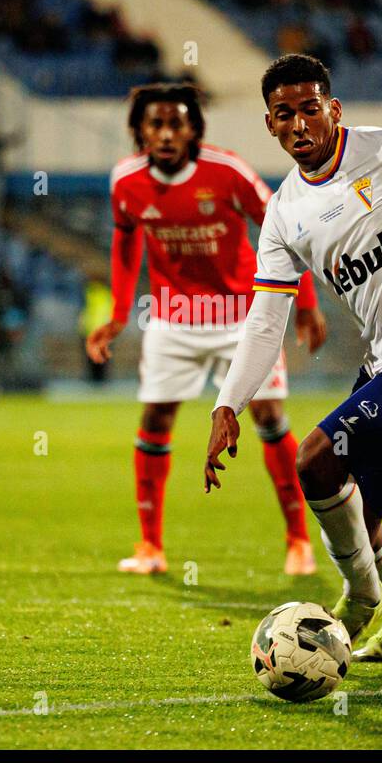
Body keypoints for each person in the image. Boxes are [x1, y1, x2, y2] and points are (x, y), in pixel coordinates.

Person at [204, 55, 382, 661]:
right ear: (270, 126)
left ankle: (358, 598)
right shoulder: (282, 213)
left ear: (334, 109)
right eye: (284, 115)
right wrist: (228, 402)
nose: (300, 124)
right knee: (356, 513)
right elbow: (268, 317)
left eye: (309, 108)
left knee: (316, 459)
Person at [88, 83, 329, 576]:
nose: (167, 133)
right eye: (156, 124)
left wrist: (305, 303)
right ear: (140, 132)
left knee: (267, 416)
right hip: (173, 319)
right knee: (155, 420)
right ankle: (149, 547)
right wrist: (116, 313)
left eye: (177, 123)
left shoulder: (226, 171)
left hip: (243, 317)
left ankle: (298, 541)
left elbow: (281, 224)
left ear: (194, 129)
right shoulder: (126, 181)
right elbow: (125, 239)